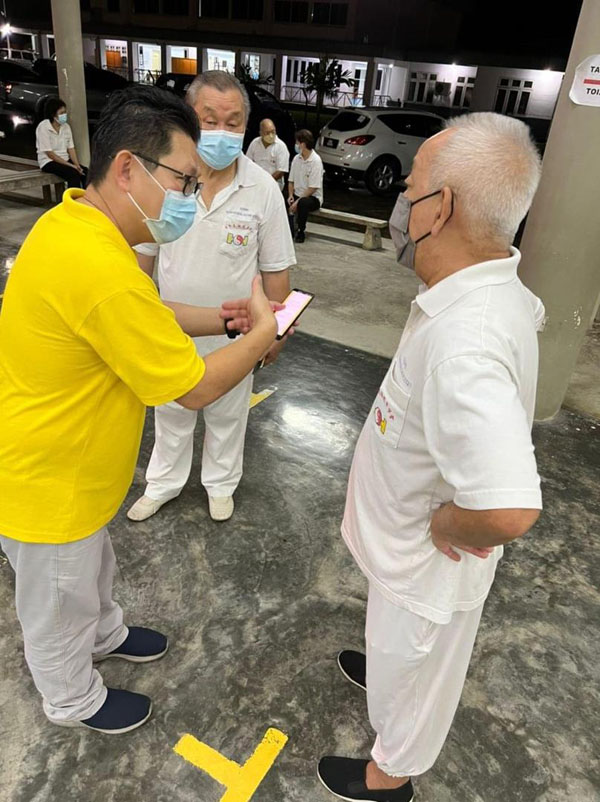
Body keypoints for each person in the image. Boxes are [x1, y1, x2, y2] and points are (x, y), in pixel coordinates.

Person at [0, 85, 280, 735]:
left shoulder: (76, 225)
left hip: (72, 468)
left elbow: (143, 310)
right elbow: (194, 388)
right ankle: (72, 699)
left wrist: (225, 320)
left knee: (92, 575)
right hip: (49, 482)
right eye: (182, 180)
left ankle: (105, 634)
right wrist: (263, 334)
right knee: (58, 602)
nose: (186, 197)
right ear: (128, 169)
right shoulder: (97, 265)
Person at [317, 112, 545, 801]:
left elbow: (509, 511)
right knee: (398, 652)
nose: (402, 204)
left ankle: (389, 775)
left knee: (419, 670)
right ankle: (389, 676)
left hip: (427, 561)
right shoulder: (484, 289)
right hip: (402, 546)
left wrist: (448, 524)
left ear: (439, 208)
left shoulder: (466, 343)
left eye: (409, 189)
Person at [127, 72, 295, 525]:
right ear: (188, 119)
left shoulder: (262, 189)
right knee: (170, 412)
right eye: (210, 120)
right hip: (172, 329)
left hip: (235, 335)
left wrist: (274, 335)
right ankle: (163, 483)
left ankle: (221, 484)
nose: (222, 132)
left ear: (246, 125)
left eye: (233, 122)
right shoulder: (164, 179)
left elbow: (277, 270)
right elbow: (142, 260)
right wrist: (138, 320)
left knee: (228, 415)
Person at [35, 97, 88, 188]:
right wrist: (71, 166)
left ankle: (87, 196)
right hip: (49, 162)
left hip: (65, 160)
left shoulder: (66, 127)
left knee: (85, 172)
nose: (64, 115)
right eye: (61, 113)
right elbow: (50, 154)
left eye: (65, 112)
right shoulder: (43, 127)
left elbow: (71, 149)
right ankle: (72, 197)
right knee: (73, 174)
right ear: (53, 115)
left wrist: (77, 165)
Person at [287, 128, 323, 243]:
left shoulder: (316, 161)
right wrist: (291, 195)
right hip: (297, 193)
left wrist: (297, 201)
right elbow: (291, 180)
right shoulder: (296, 159)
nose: (296, 145)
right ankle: (287, 229)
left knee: (303, 203)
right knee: (282, 199)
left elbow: (313, 187)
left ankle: (301, 231)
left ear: (303, 144)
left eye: (297, 142)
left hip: (312, 197)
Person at [246, 118, 290, 191]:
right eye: (267, 133)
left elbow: (281, 171)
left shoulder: (281, 146)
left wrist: (266, 181)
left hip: (274, 183)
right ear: (261, 133)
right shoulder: (255, 143)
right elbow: (248, 162)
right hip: (255, 181)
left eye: (273, 132)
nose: (271, 135)